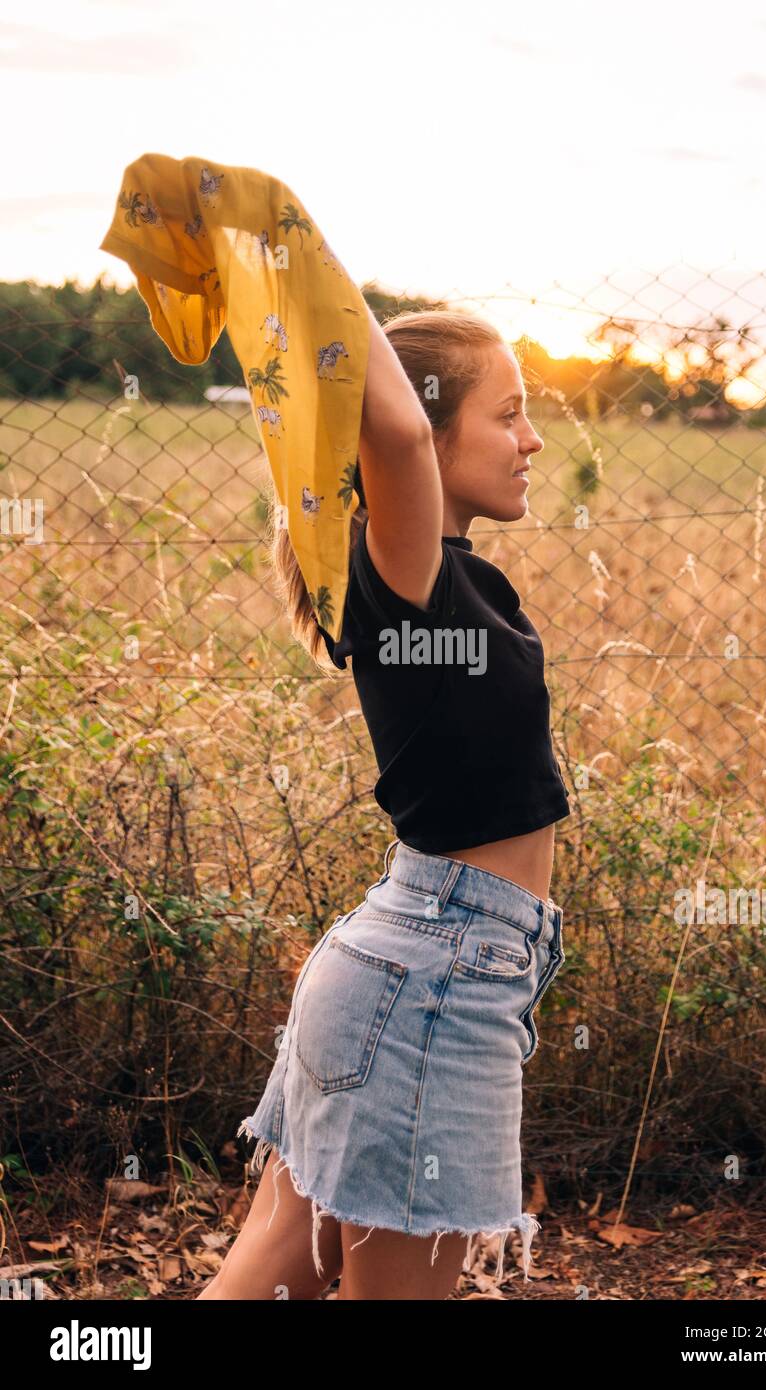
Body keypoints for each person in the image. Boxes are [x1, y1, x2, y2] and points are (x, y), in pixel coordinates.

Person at [199, 305, 570, 1301]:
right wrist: (292, 252)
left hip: (400, 963)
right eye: (508, 415)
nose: (532, 440)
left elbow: (401, 435)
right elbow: (394, 432)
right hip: (434, 981)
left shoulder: (443, 573)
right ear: (430, 430)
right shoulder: (400, 565)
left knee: (274, 1272)